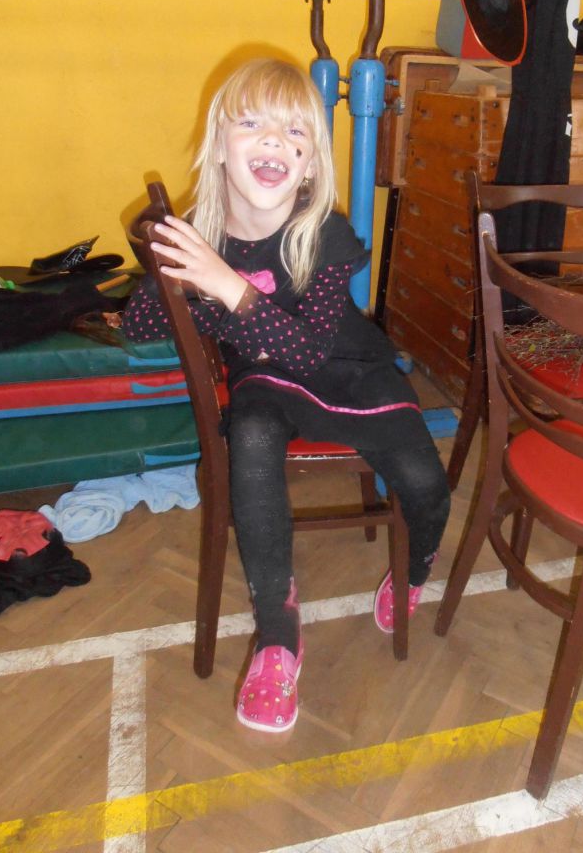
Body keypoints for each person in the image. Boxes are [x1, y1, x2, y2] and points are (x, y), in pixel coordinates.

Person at [123, 58, 451, 733]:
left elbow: (308, 352)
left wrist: (225, 284)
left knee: (427, 485)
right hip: (266, 376)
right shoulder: (201, 233)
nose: (275, 140)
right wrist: (174, 275)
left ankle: (415, 569)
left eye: (295, 132)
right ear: (219, 147)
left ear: (307, 167)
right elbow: (138, 325)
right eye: (253, 124)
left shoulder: (324, 232)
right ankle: (277, 634)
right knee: (250, 433)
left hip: (346, 368)